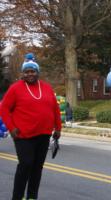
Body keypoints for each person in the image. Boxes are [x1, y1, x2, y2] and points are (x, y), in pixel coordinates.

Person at [0, 53, 61, 200]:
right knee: (25, 164)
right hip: (23, 135)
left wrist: (58, 128)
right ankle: (17, 197)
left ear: (37, 72)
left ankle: (32, 196)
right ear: (23, 73)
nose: (30, 74)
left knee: (37, 168)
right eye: (27, 72)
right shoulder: (15, 88)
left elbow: (55, 109)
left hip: (44, 134)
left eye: (32, 71)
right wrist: (11, 127)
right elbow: (4, 108)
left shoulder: (46, 88)